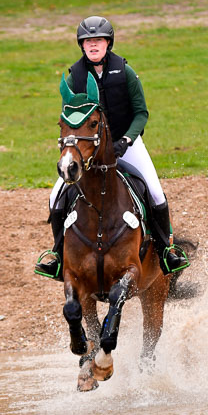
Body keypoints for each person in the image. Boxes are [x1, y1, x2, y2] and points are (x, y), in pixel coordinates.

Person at [35, 15, 190, 280]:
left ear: (108, 43)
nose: (93, 46)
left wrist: (127, 140)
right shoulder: (75, 77)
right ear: (82, 46)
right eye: (88, 42)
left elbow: (141, 113)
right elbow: (70, 118)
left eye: (98, 41)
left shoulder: (125, 72)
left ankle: (167, 251)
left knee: (155, 192)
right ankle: (58, 256)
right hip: (89, 149)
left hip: (126, 143)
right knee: (55, 197)